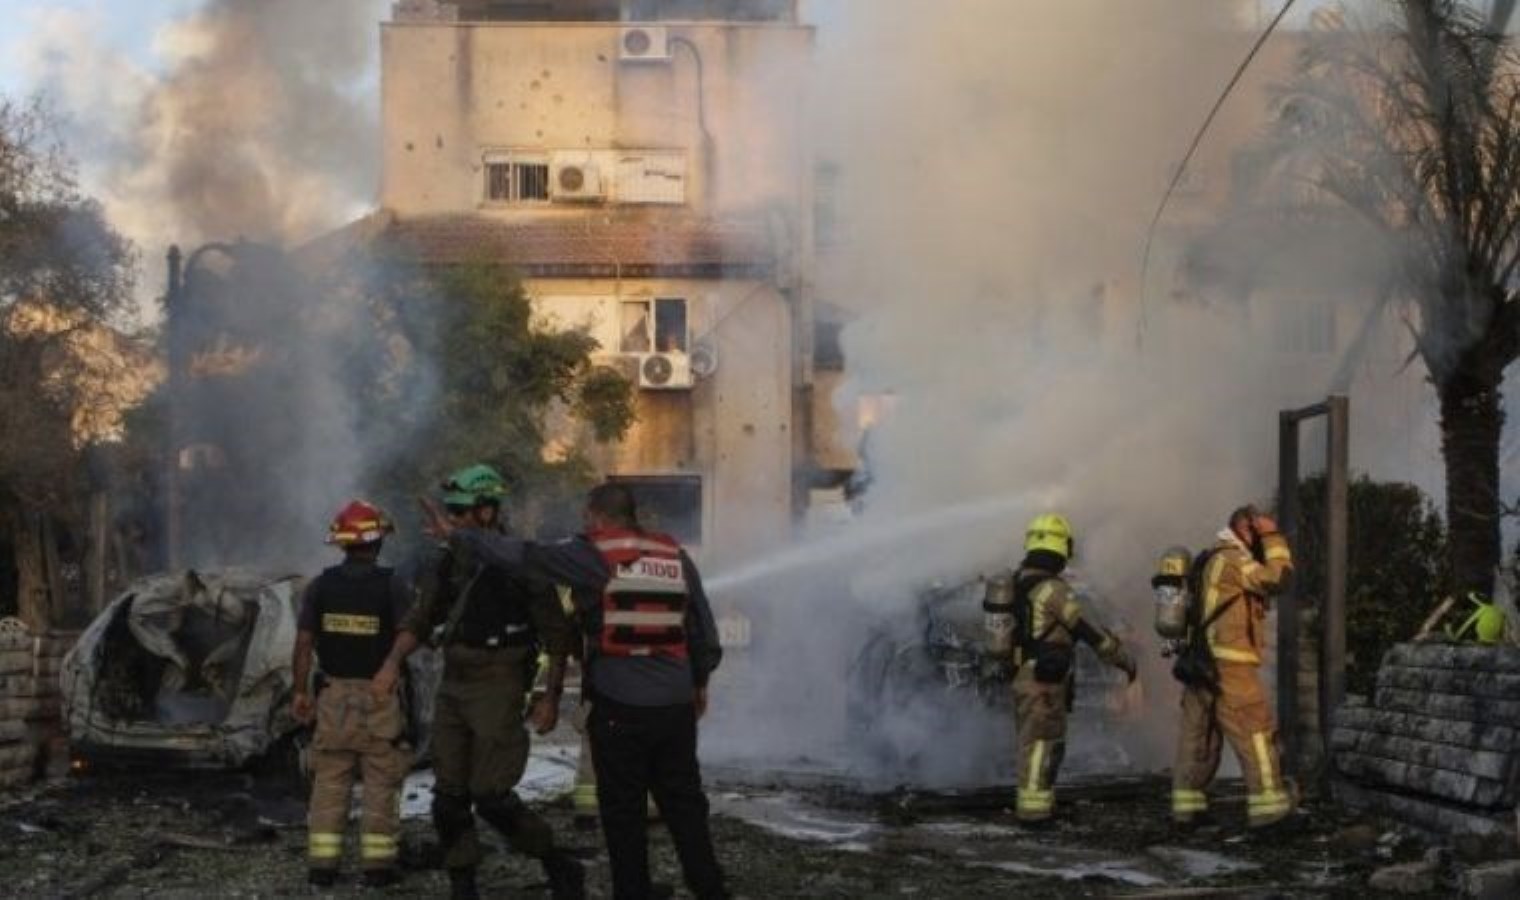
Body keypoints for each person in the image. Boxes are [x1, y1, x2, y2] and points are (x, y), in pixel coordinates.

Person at [423, 482, 727, 900]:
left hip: (620, 703)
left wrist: (457, 535)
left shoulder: (592, 554)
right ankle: (710, 889)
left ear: (597, 516)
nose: (584, 523)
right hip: (674, 705)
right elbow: (702, 631)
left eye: (586, 516)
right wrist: (698, 683)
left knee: (622, 808)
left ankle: (632, 892)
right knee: (685, 804)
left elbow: (522, 555)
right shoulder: (673, 554)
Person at [374, 465, 583, 900]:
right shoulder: (448, 562)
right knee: (447, 797)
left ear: (488, 513)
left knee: (491, 796)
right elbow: (422, 616)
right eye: (451, 511)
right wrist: (392, 662)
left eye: (462, 511)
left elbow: (557, 637)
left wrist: (549, 698)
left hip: (500, 680)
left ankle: (556, 863)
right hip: (455, 681)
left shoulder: (524, 560)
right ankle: (463, 883)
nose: (454, 519)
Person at [292, 500, 413, 888]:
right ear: (378, 543)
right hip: (379, 695)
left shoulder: (321, 585)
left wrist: (299, 692)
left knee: (329, 781)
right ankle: (377, 870)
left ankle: (322, 869)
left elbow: (303, 643)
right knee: (381, 780)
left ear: (342, 544)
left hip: (334, 697)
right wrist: (391, 665)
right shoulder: (393, 584)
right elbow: (412, 631)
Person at [999, 512, 1136, 824]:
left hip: (1025, 675)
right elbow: (1086, 628)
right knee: (1041, 745)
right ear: (1061, 547)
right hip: (1043, 681)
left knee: (1037, 743)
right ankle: (1034, 812)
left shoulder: (1018, 581)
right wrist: (1122, 659)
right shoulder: (1052, 589)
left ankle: (1040, 805)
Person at [1170, 506, 1296, 829]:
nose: (1263, 544)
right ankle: (1270, 809)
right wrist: (1273, 536)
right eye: (1260, 534)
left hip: (1203, 664)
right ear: (1246, 528)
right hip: (1229, 665)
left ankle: (1187, 807)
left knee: (1199, 737)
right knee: (1255, 731)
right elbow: (1278, 579)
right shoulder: (1231, 558)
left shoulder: (1211, 559)